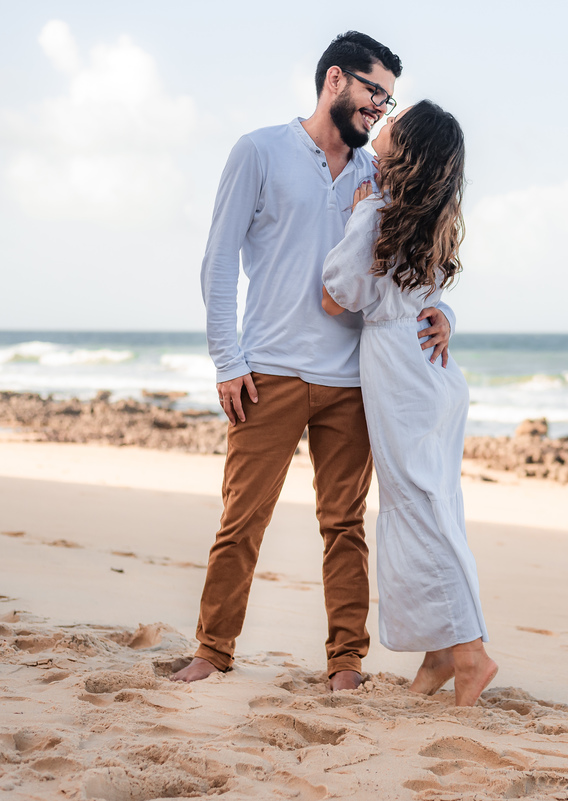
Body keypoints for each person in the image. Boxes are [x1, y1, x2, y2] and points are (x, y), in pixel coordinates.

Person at [172, 32, 457, 690]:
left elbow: (417, 266)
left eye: (387, 100)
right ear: (335, 79)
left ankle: (345, 663)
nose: (379, 110)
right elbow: (218, 263)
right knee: (242, 519)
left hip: (351, 380)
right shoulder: (259, 152)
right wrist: (226, 360)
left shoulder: (376, 173)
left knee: (345, 526)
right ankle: (212, 649)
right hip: (265, 370)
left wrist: (445, 313)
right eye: (373, 92)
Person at [321, 100, 497, 706]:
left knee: (418, 508)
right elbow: (434, 293)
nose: (383, 123)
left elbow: (338, 294)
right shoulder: (428, 215)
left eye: (394, 122)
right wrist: (443, 313)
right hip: (432, 374)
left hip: (402, 372)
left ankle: (470, 652)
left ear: (407, 149)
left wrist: (360, 209)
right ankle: (439, 657)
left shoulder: (379, 211)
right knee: (433, 503)